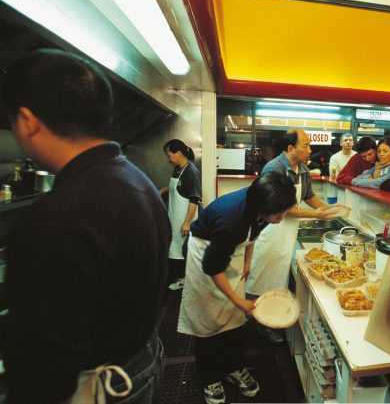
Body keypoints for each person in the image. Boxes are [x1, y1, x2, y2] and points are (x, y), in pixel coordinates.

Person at [1, 49, 170, 403]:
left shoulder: (54, 222)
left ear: (29, 121)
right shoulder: (138, 181)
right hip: (142, 360)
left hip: (100, 388)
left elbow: (44, 366)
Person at [178, 172, 297, 404]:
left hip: (231, 250)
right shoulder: (231, 221)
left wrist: (246, 261)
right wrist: (239, 300)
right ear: (264, 206)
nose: (283, 217)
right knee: (209, 319)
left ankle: (233, 366)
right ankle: (210, 376)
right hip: (206, 251)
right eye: (280, 212)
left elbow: (253, 235)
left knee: (233, 318)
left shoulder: (259, 205)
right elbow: (212, 267)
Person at [246, 129, 341, 343]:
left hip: (287, 233)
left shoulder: (303, 169)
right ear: (291, 148)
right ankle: (253, 320)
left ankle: (268, 320)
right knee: (261, 276)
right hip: (270, 230)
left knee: (277, 278)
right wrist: (314, 213)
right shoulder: (275, 168)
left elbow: (309, 196)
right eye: (305, 145)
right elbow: (279, 208)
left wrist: (330, 210)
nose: (310, 150)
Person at [160, 139, 201, 291]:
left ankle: (186, 281)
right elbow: (177, 186)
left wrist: (187, 222)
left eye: (169, 155)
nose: (168, 159)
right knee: (176, 249)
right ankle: (181, 278)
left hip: (184, 219)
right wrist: (163, 191)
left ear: (178, 153)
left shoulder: (191, 172)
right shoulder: (178, 168)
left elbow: (194, 199)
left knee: (184, 251)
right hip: (174, 216)